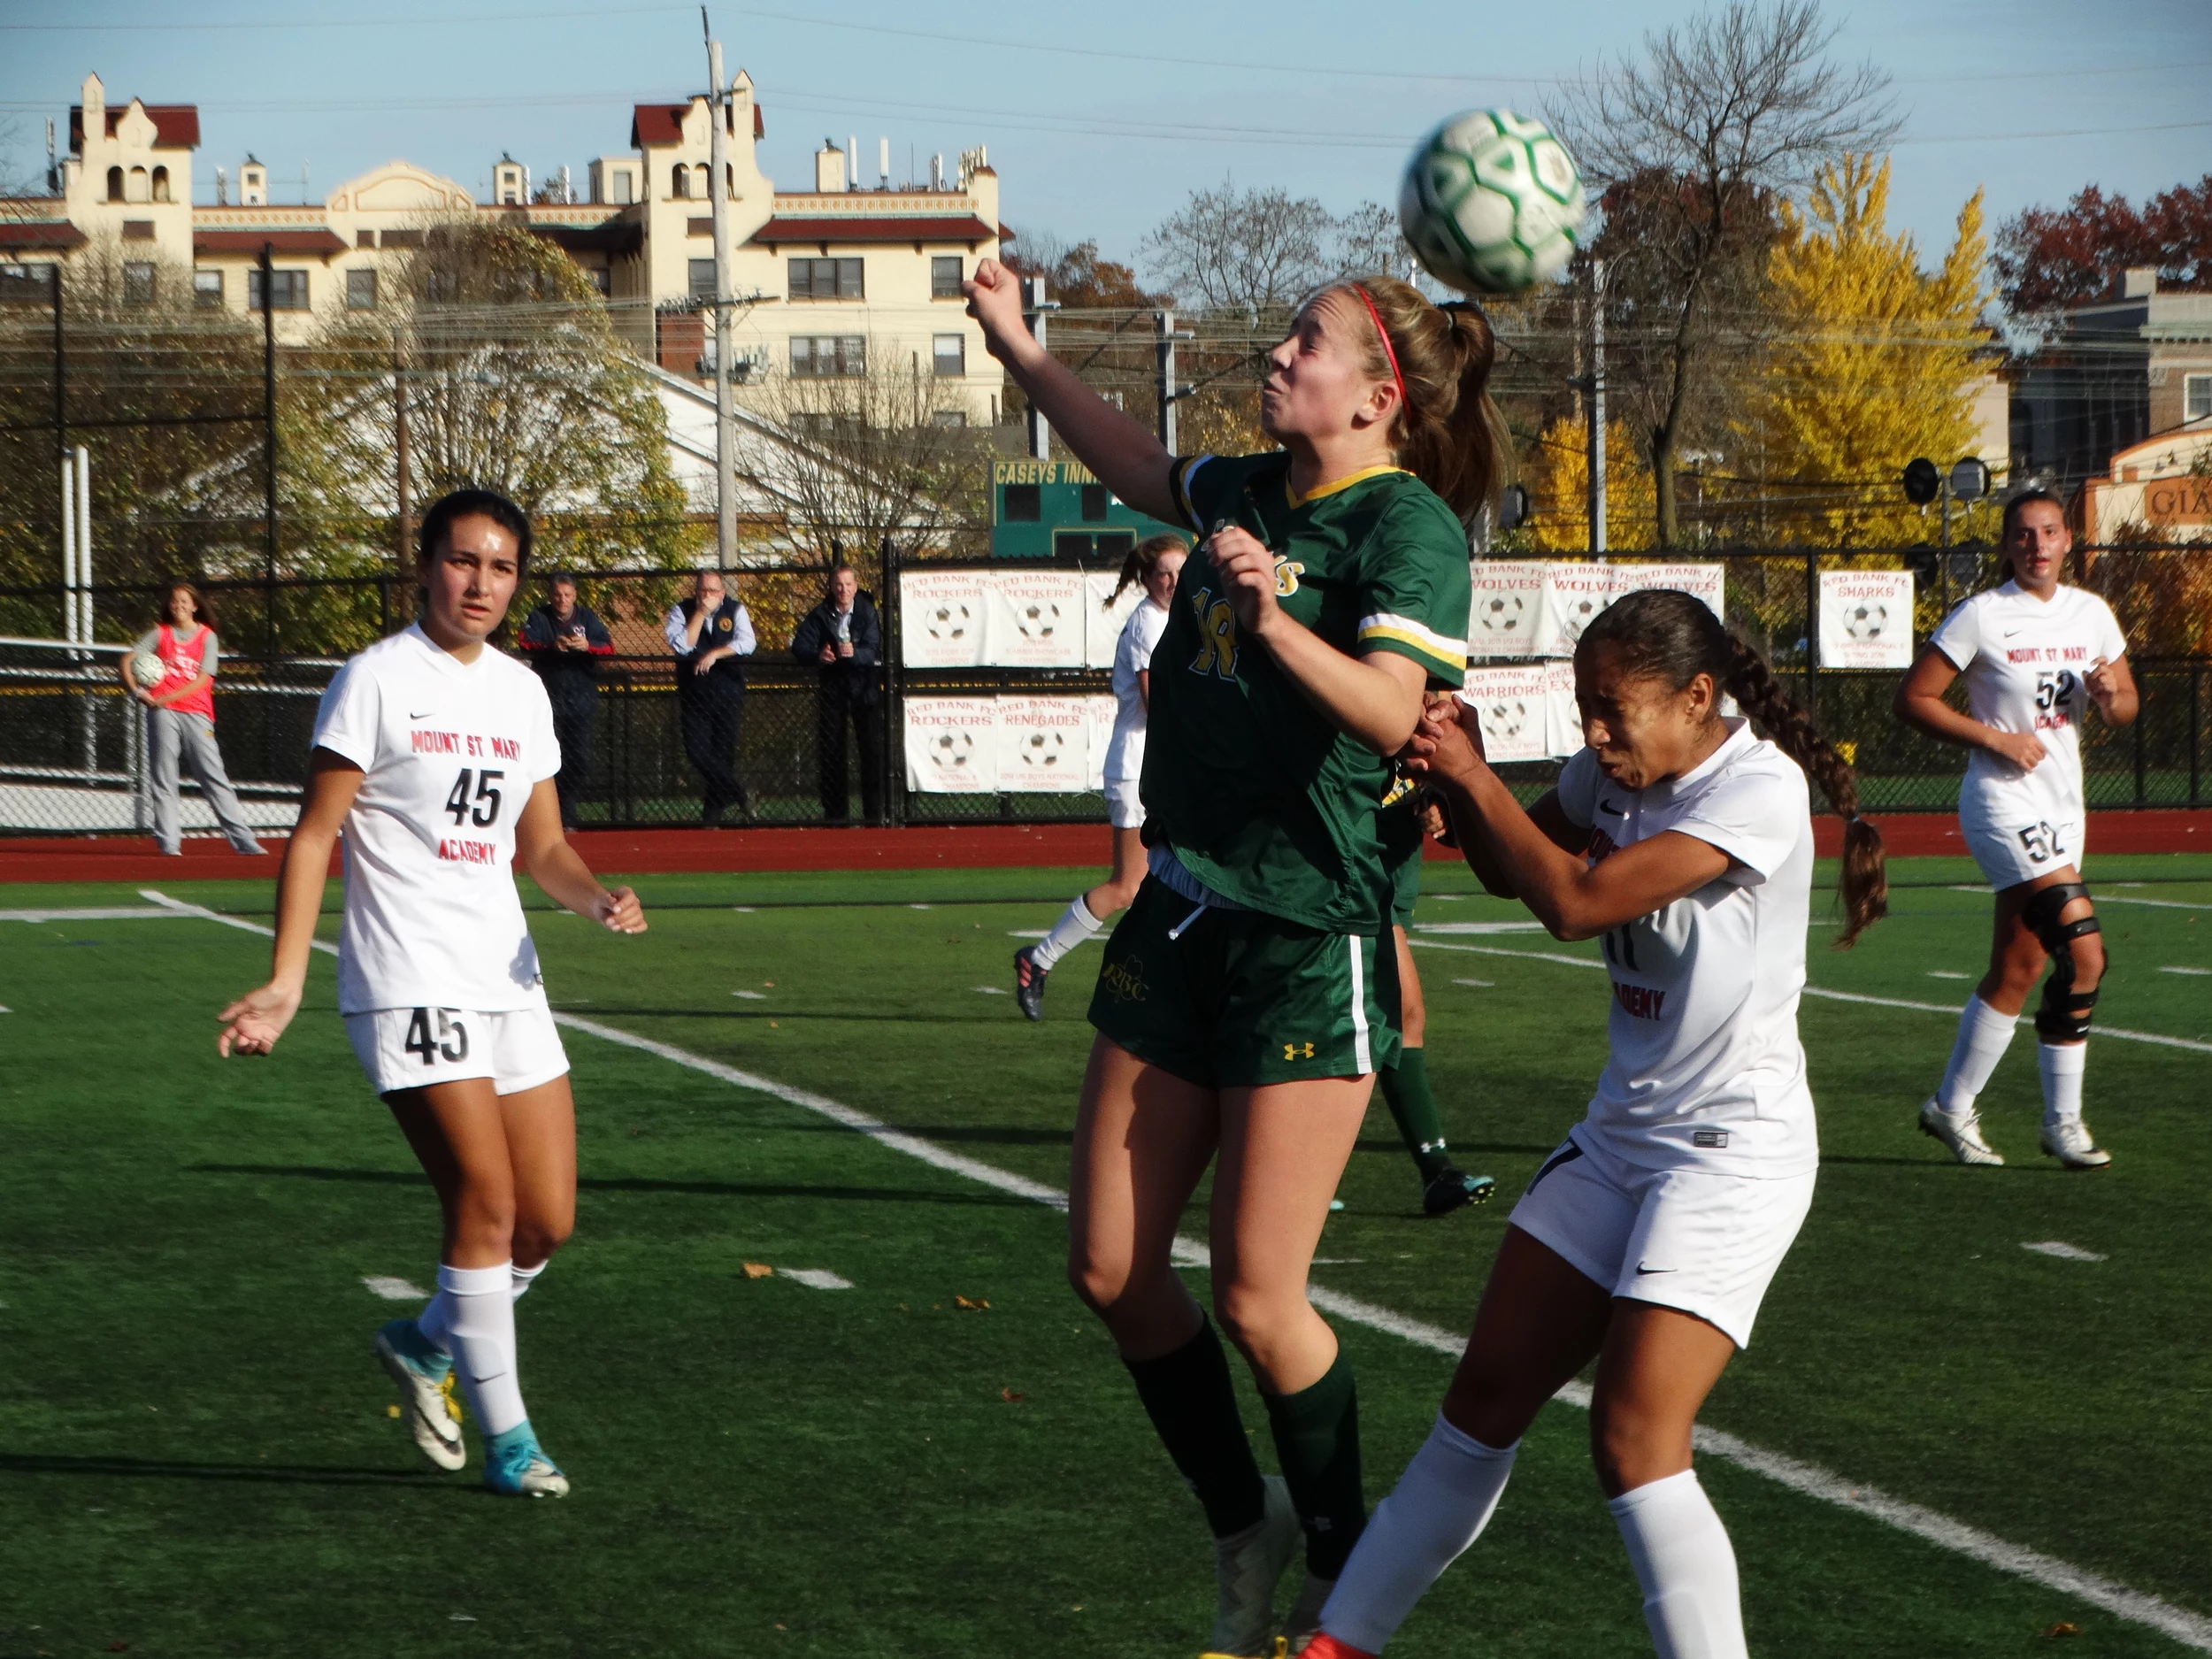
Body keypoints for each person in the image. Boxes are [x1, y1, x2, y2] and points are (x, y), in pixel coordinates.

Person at [970, 257, 1489, 1657]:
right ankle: (1241, 1516)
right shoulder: (1247, 489)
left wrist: (1268, 620)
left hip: (1306, 937)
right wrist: (1020, 345)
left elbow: (1394, 711)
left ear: (1377, 394)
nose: (1276, 350)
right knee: (1111, 1268)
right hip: (1182, 913)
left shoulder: (1410, 528)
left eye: (1304, 340)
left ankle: (1343, 1582)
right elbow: (1137, 459)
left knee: (1261, 1297)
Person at [1300, 589, 1887, 1659]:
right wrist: (1455, 770)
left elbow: (1574, 903)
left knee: (1632, 1440)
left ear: (1697, 697)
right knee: (1480, 1399)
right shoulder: (1613, 769)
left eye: (1613, 710)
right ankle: (1337, 1645)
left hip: (1732, 1151)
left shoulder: (1757, 787)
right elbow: (1507, 870)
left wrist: (1476, 778)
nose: (1595, 735)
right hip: (1623, 1136)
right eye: (1583, 709)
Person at [214, 488, 647, 1500]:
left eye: (500, 567)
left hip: (506, 979)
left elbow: (540, 846)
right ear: (424, 567)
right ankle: (510, 1442)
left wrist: (596, 899)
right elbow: (316, 834)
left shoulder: (523, 692)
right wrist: (285, 980)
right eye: (462, 561)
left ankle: (424, 1342)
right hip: (407, 977)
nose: (480, 583)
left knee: (546, 1223)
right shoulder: (372, 681)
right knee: (484, 1206)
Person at [1895, 488, 2137, 1170]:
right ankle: (2065, 1123)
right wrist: (1995, 739)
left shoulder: (2091, 613)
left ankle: (1950, 1105)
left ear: (2068, 541)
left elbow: (2124, 705)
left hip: (2064, 805)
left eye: (2050, 533)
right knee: (2084, 954)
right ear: (2007, 545)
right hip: (2002, 802)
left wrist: (2114, 696)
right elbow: (1911, 699)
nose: (2038, 546)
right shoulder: (1982, 615)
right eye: (2024, 535)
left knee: (2020, 965)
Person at [1013, 533, 1187, 1018]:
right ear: (1148, 579)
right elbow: (1157, 705)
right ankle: (1038, 959)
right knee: (1129, 886)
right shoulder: (1149, 624)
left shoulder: (1180, 620)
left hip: (1165, 769)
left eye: (1179, 572)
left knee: (1177, 883)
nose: (1173, 582)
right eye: (1163, 574)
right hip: (1138, 768)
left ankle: (1165, 989)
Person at [1377, 785, 1494, 1216]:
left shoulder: (1433, 719)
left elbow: (1461, 814)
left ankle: (1436, 1172)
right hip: (1338, 882)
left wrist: (1444, 807)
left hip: (1382, 881)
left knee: (1402, 1018)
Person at [119, 582, 265, 857]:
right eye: (174, 601)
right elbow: (127, 659)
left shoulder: (207, 637)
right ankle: (169, 845)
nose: (179, 606)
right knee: (163, 777)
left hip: (196, 712)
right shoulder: (160, 634)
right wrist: (137, 691)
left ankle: (244, 842)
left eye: (185, 601)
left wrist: (168, 696)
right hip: (163, 713)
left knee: (213, 776)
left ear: (195, 606)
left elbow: (203, 679)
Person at [790, 563, 885, 826]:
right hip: (833, 690)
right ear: (832, 587)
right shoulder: (820, 614)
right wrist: (818, 655)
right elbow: (799, 646)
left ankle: (874, 815)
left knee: (871, 751)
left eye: (848, 584)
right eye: (838, 585)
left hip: (864, 690)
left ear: (856, 586)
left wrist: (856, 655)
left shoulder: (867, 612)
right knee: (832, 751)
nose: (843, 590)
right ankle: (836, 815)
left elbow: (874, 648)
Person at [518, 572, 613, 831]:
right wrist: (552, 645)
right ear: (551, 596)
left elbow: (607, 646)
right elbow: (525, 642)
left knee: (580, 759)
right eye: (558, 595)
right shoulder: (539, 617)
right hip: (549, 701)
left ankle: (565, 806)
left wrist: (587, 645)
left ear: (575, 596)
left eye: (567, 595)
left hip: (582, 699)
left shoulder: (587, 617)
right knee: (547, 760)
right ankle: (555, 816)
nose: (562, 600)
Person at [665, 568, 755, 826]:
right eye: (703, 591)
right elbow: (683, 645)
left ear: (722, 593)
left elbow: (747, 643)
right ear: (695, 592)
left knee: (723, 756)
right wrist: (701, 613)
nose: (708, 596)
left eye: (713, 591)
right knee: (698, 753)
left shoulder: (735, 610)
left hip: (728, 693)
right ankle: (740, 793)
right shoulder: (681, 611)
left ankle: (711, 819)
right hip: (695, 695)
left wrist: (717, 653)